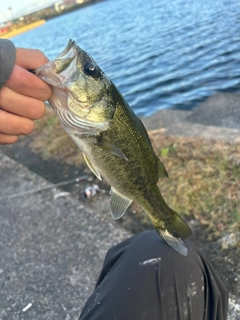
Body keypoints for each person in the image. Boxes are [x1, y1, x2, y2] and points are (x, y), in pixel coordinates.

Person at [0, 39, 228, 320]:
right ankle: (164, 219)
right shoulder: (93, 125)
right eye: (90, 70)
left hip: (119, 161)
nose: (82, 64)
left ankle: (164, 218)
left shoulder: (97, 127)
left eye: (89, 70)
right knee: (176, 261)